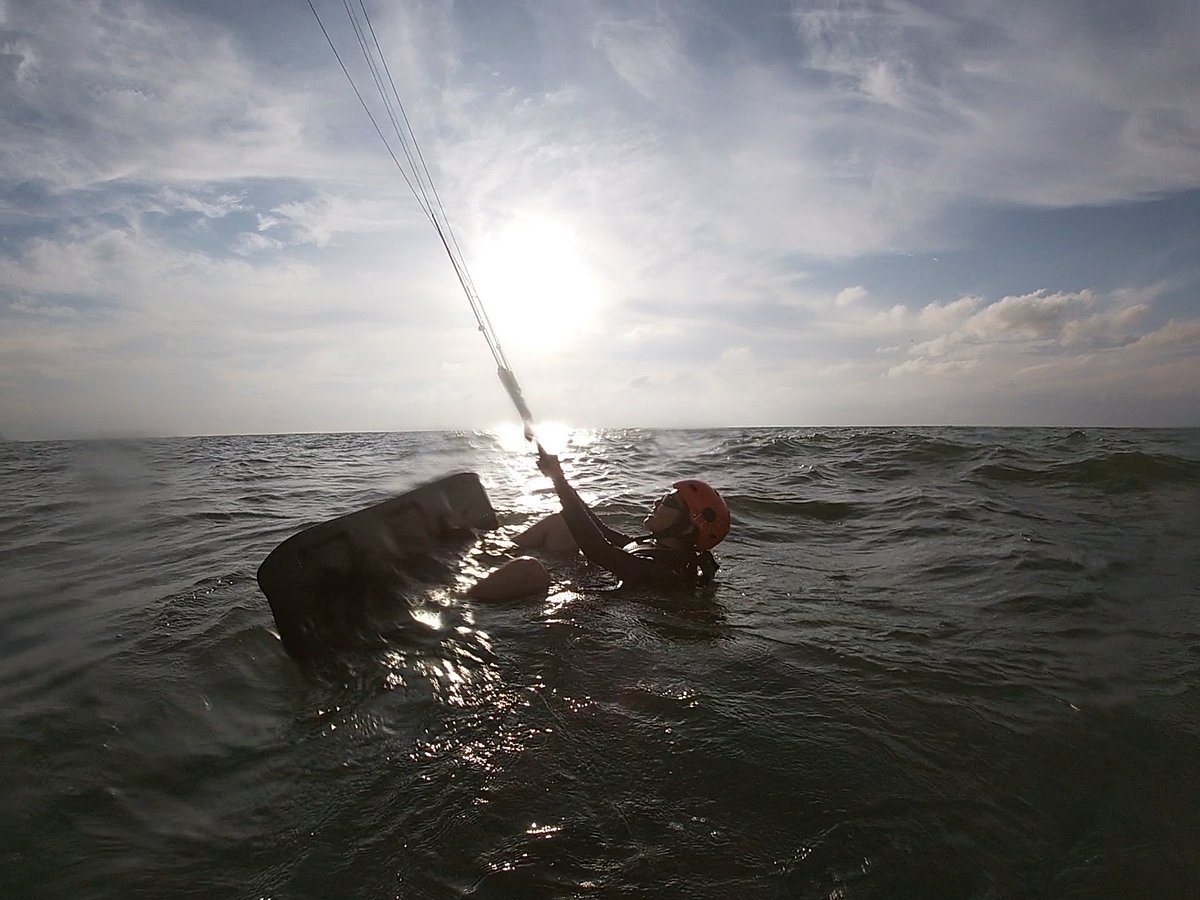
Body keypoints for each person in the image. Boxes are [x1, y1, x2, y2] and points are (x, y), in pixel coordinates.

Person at [468, 447, 730, 600]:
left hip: (596, 610)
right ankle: (492, 552)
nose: (656, 503)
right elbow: (601, 532)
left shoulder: (666, 571)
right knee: (563, 524)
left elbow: (598, 550)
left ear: (686, 528)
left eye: (668, 502)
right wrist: (560, 479)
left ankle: (454, 598)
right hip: (597, 579)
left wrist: (558, 481)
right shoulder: (655, 547)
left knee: (530, 570)